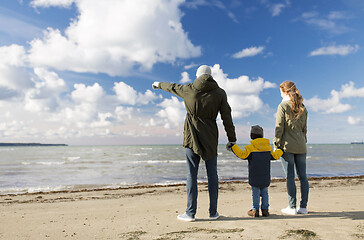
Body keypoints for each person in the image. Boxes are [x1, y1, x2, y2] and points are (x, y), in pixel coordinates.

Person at [152, 65, 236, 222]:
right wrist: (232, 139)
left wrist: (157, 83)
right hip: (211, 138)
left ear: (197, 76)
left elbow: (171, 87)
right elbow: (227, 117)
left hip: (192, 138)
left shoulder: (188, 89)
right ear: (211, 76)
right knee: (212, 175)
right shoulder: (220, 93)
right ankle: (213, 213)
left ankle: (190, 213)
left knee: (192, 174)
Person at [227, 125, 283, 217]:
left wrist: (233, 147)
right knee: (265, 192)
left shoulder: (250, 148)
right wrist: (280, 150)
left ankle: (255, 209)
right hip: (265, 175)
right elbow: (275, 156)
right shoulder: (268, 147)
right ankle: (265, 210)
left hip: (254, 176)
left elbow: (242, 155)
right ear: (262, 135)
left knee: (255, 192)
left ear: (251, 136)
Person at [273, 81, 309, 215]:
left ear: (286, 92)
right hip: (301, 146)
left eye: (281, 92)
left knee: (290, 177)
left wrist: (276, 144)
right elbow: (305, 130)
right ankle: (303, 207)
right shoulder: (303, 108)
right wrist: (303, 140)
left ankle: (292, 207)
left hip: (287, 146)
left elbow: (279, 127)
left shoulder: (283, 106)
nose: (280, 95)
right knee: (303, 177)